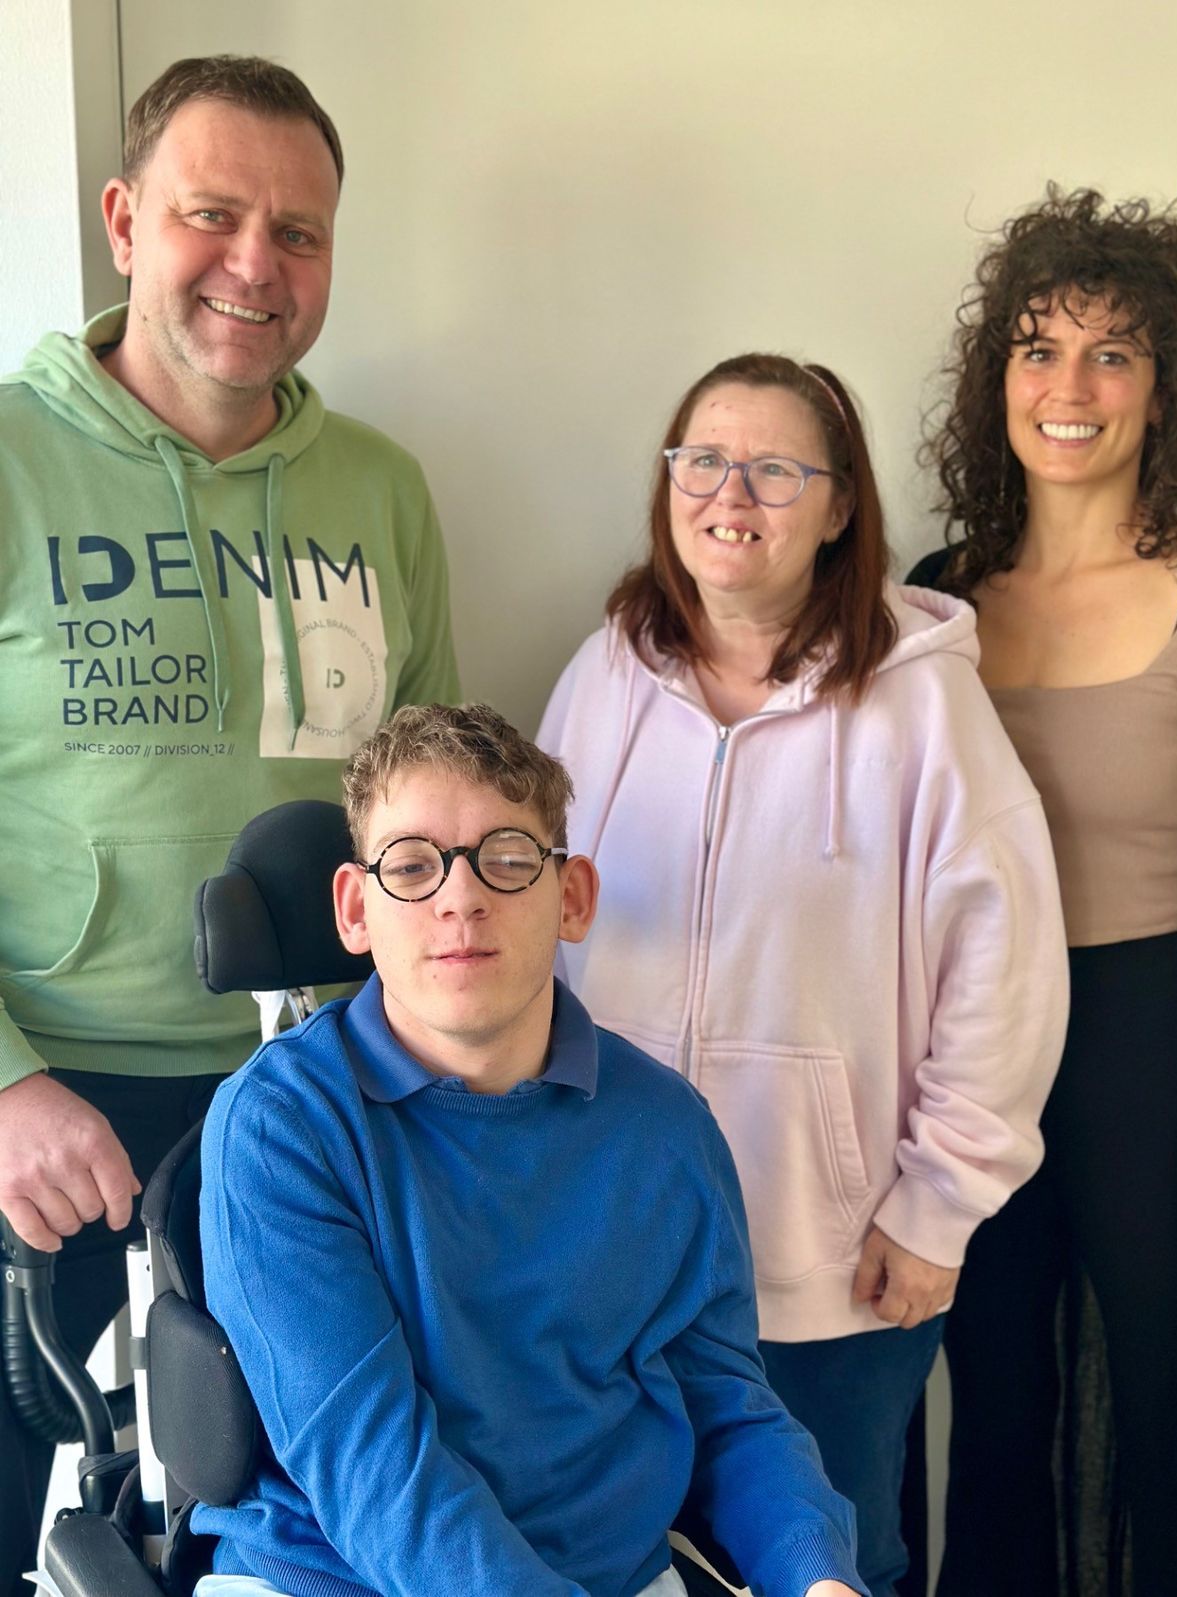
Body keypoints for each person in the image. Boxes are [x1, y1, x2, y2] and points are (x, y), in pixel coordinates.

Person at [0, 55, 457, 1594]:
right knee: (58, 1536)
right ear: (126, 220)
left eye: (302, 232)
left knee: (290, 1533)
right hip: (56, 1119)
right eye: (213, 215)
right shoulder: (7, 459)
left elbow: (425, 805)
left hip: (319, 1105)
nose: (257, 265)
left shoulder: (379, 489)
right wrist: (1, 1084)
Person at [536, 352, 1069, 1597]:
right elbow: (529, 927)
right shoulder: (606, 671)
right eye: (704, 460)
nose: (733, 492)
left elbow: (1007, 967)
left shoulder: (922, 707)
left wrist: (940, 1205)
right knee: (624, 1553)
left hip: (833, 1258)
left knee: (827, 1559)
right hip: (611, 1241)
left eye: (776, 469)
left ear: (838, 509)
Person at [190, 700, 866, 1597]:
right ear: (356, 908)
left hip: (609, 1572)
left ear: (572, 896)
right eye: (413, 865)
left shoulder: (667, 1128)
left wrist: (815, 1574)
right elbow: (373, 1469)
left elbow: (729, 1412)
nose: (460, 897)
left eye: (508, 858)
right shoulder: (279, 1127)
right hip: (332, 1574)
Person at [908, 186, 1177, 1597]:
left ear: (1167, 388)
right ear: (993, 377)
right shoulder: (933, 599)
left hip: (1159, 1050)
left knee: (1173, 1426)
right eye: (1035, 347)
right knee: (991, 1416)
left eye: (1112, 352)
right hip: (978, 1057)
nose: (1067, 388)